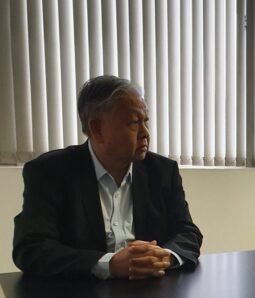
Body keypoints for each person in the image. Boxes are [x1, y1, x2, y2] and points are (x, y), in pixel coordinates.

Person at [13, 75, 203, 279]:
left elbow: (187, 232)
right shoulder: (50, 172)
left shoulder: (162, 171)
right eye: (133, 123)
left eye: (146, 121)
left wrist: (165, 256)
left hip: (152, 291)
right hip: (80, 294)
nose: (145, 133)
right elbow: (31, 248)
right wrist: (108, 264)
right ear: (97, 129)